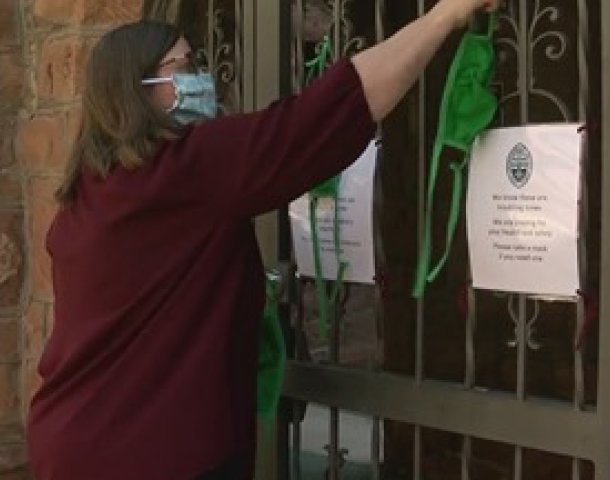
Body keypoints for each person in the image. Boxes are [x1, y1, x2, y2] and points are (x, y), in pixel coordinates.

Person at [26, 0, 501, 478]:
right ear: (138, 92)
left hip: (72, 443)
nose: (201, 78)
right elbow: (323, 116)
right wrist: (444, 17)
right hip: (150, 453)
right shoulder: (184, 171)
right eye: (186, 66)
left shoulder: (93, 190)